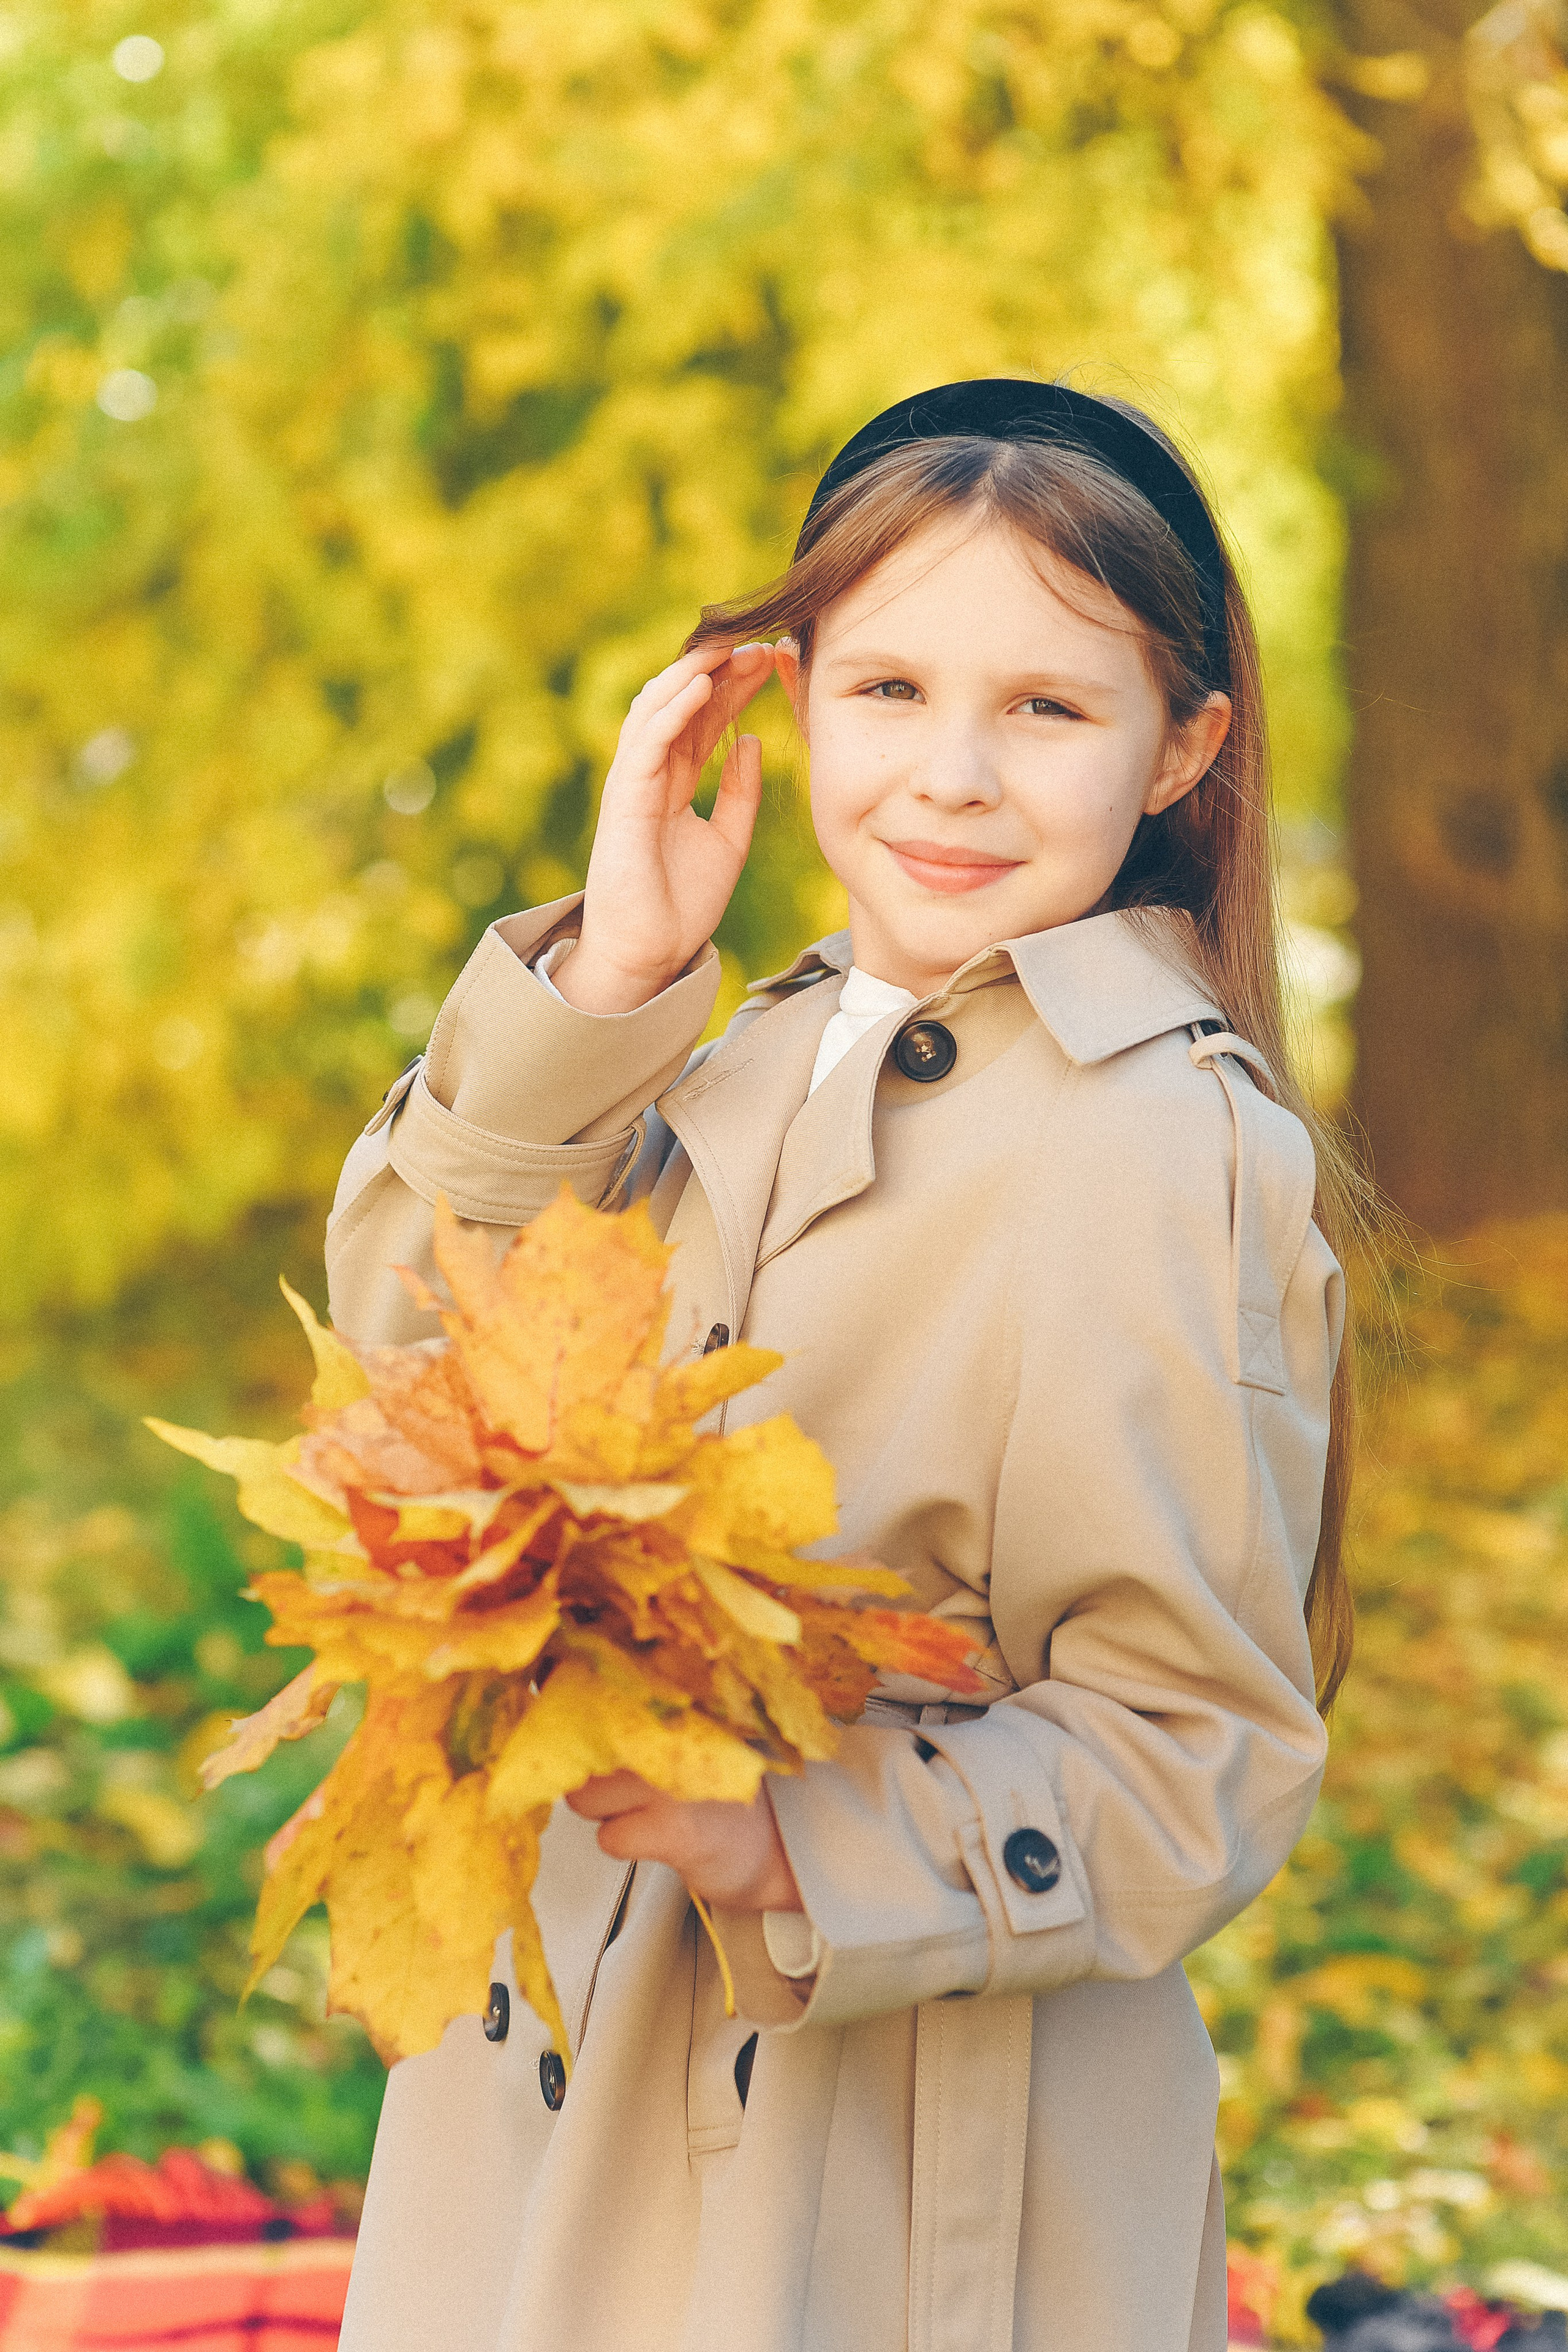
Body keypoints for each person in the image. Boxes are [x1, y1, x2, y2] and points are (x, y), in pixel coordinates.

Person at [330, 379, 1361, 2352]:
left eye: (1048, 708)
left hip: (872, 2165)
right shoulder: (728, 1051)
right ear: (775, 694)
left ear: (1184, 749)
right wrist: (613, 976)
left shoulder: (1158, 1143)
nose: (952, 778)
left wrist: (788, 1836)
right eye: (885, 689)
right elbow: (408, 1400)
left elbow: (1190, 1754)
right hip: (538, 2087)